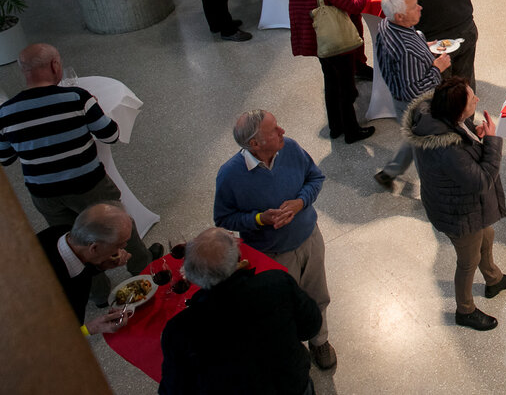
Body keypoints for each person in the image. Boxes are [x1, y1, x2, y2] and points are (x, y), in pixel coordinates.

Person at [2, 44, 160, 292]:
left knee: (72, 243)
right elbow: (110, 135)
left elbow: (5, 157)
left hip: (44, 194)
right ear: (54, 65)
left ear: (24, 71)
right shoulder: (76, 97)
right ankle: (143, 267)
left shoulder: (5, 113)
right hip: (88, 184)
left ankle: (98, 292)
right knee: (117, 224)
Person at [213, 111, 337, 370]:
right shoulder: (230, 175)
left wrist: (300, 202)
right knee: (282, 308)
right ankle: (293, 351)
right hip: (271, 256)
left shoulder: (290, 148)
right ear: (254, 144)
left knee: (317, 296)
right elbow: (223, 217)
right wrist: (259, 219)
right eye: (274, 130)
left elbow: (315, 178)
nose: (282, 131)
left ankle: (319, 340)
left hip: (309, 239)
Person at [405, 76, 506, 331]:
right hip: (457, 212)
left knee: (487, 236)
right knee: (468, 261)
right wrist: (492, 142)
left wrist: (475, 136)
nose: (477, 98)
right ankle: (464, 310)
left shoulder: (437, 118)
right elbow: (481, 181)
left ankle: (493, 280)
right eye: (471, 99)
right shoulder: (447, 150)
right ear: (457, 110)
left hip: (457, 202)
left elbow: (462, 141)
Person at [158, 227, 322, 394]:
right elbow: (311, 326)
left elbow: (173, 389)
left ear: (191, 276)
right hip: (294, 386)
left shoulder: (178, 331)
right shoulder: (277, 283)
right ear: (238, 258)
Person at [288, 0, 374, 144]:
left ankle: (335, 127)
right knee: (346, 87)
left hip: (318, 43)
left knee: (331, 83)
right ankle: (352, 131)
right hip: (337, 43)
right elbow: (354, 5)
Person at [372, 0, 451, 187]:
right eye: (414, 7)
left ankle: (390, 172)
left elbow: (408, 42)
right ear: (399, 16)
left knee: (414, 138)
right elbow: (414, 91)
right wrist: (437, 68)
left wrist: (424, 46)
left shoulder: (386, 24)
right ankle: (433, 189)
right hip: (414, 106)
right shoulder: (406, 51)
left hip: (399, 97)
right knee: (423, 149)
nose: (420, 8)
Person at [35, 203, 137, 336]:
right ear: (94, 248)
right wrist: (90, 329)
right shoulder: (49, 287)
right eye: (119, 244)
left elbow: (81, 264)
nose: (123, 248)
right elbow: (49, 339)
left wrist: (100, 266)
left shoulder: (65, 233)